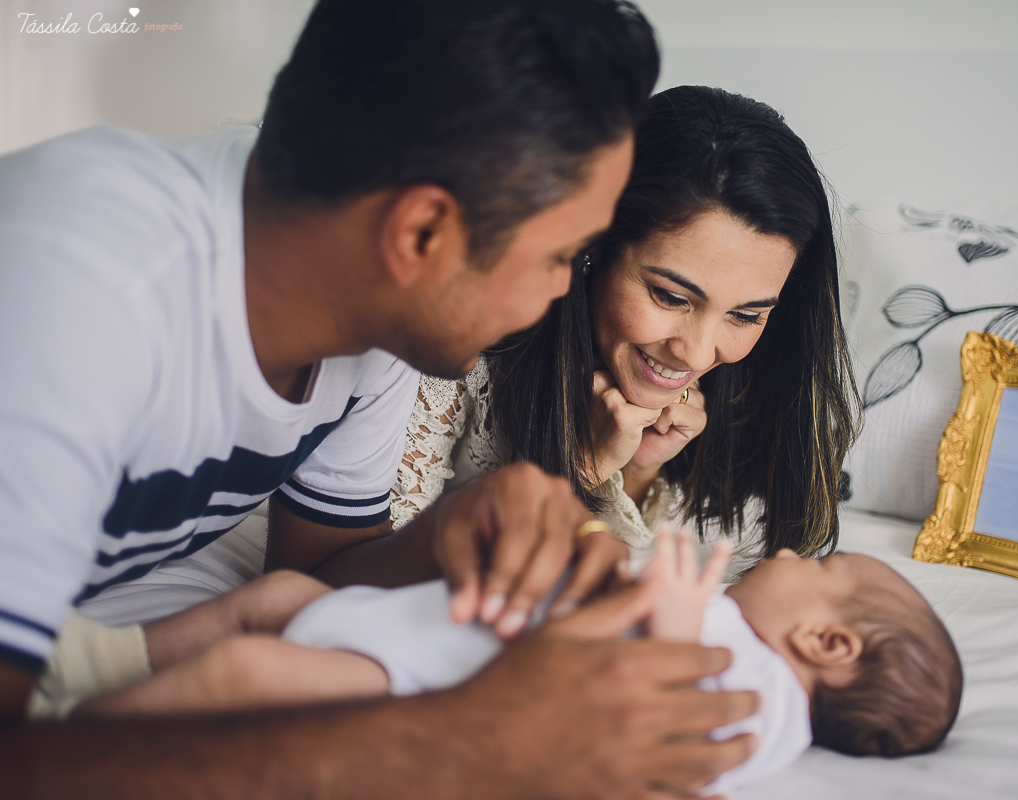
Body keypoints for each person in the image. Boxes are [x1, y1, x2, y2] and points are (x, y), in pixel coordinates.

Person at [0, 1, 760, 796]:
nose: (552, 299)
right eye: (559, 258)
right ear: (423, 234)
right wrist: (461, 742)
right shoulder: (76, 286)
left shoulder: (368, 311)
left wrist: (451, 530)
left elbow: (315, 579)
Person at [391, 85, 859, 601]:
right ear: (593, 247)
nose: (698, 355)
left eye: (745, 315)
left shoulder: (738, 397)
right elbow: (374, 583)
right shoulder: (457, 347)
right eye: (670, 296)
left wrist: (635, 468)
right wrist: (583, 468)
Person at [76, 531, 963, 795]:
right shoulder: (745, 635)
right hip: (418, 625)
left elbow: (685, 728)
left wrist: (682, 622)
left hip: (420, 683)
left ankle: (68, 739)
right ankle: (94, 661)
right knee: (271, 602)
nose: (800, 558)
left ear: (829, 643)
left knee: (244, 675)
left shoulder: (771, 706)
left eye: (825, 568)